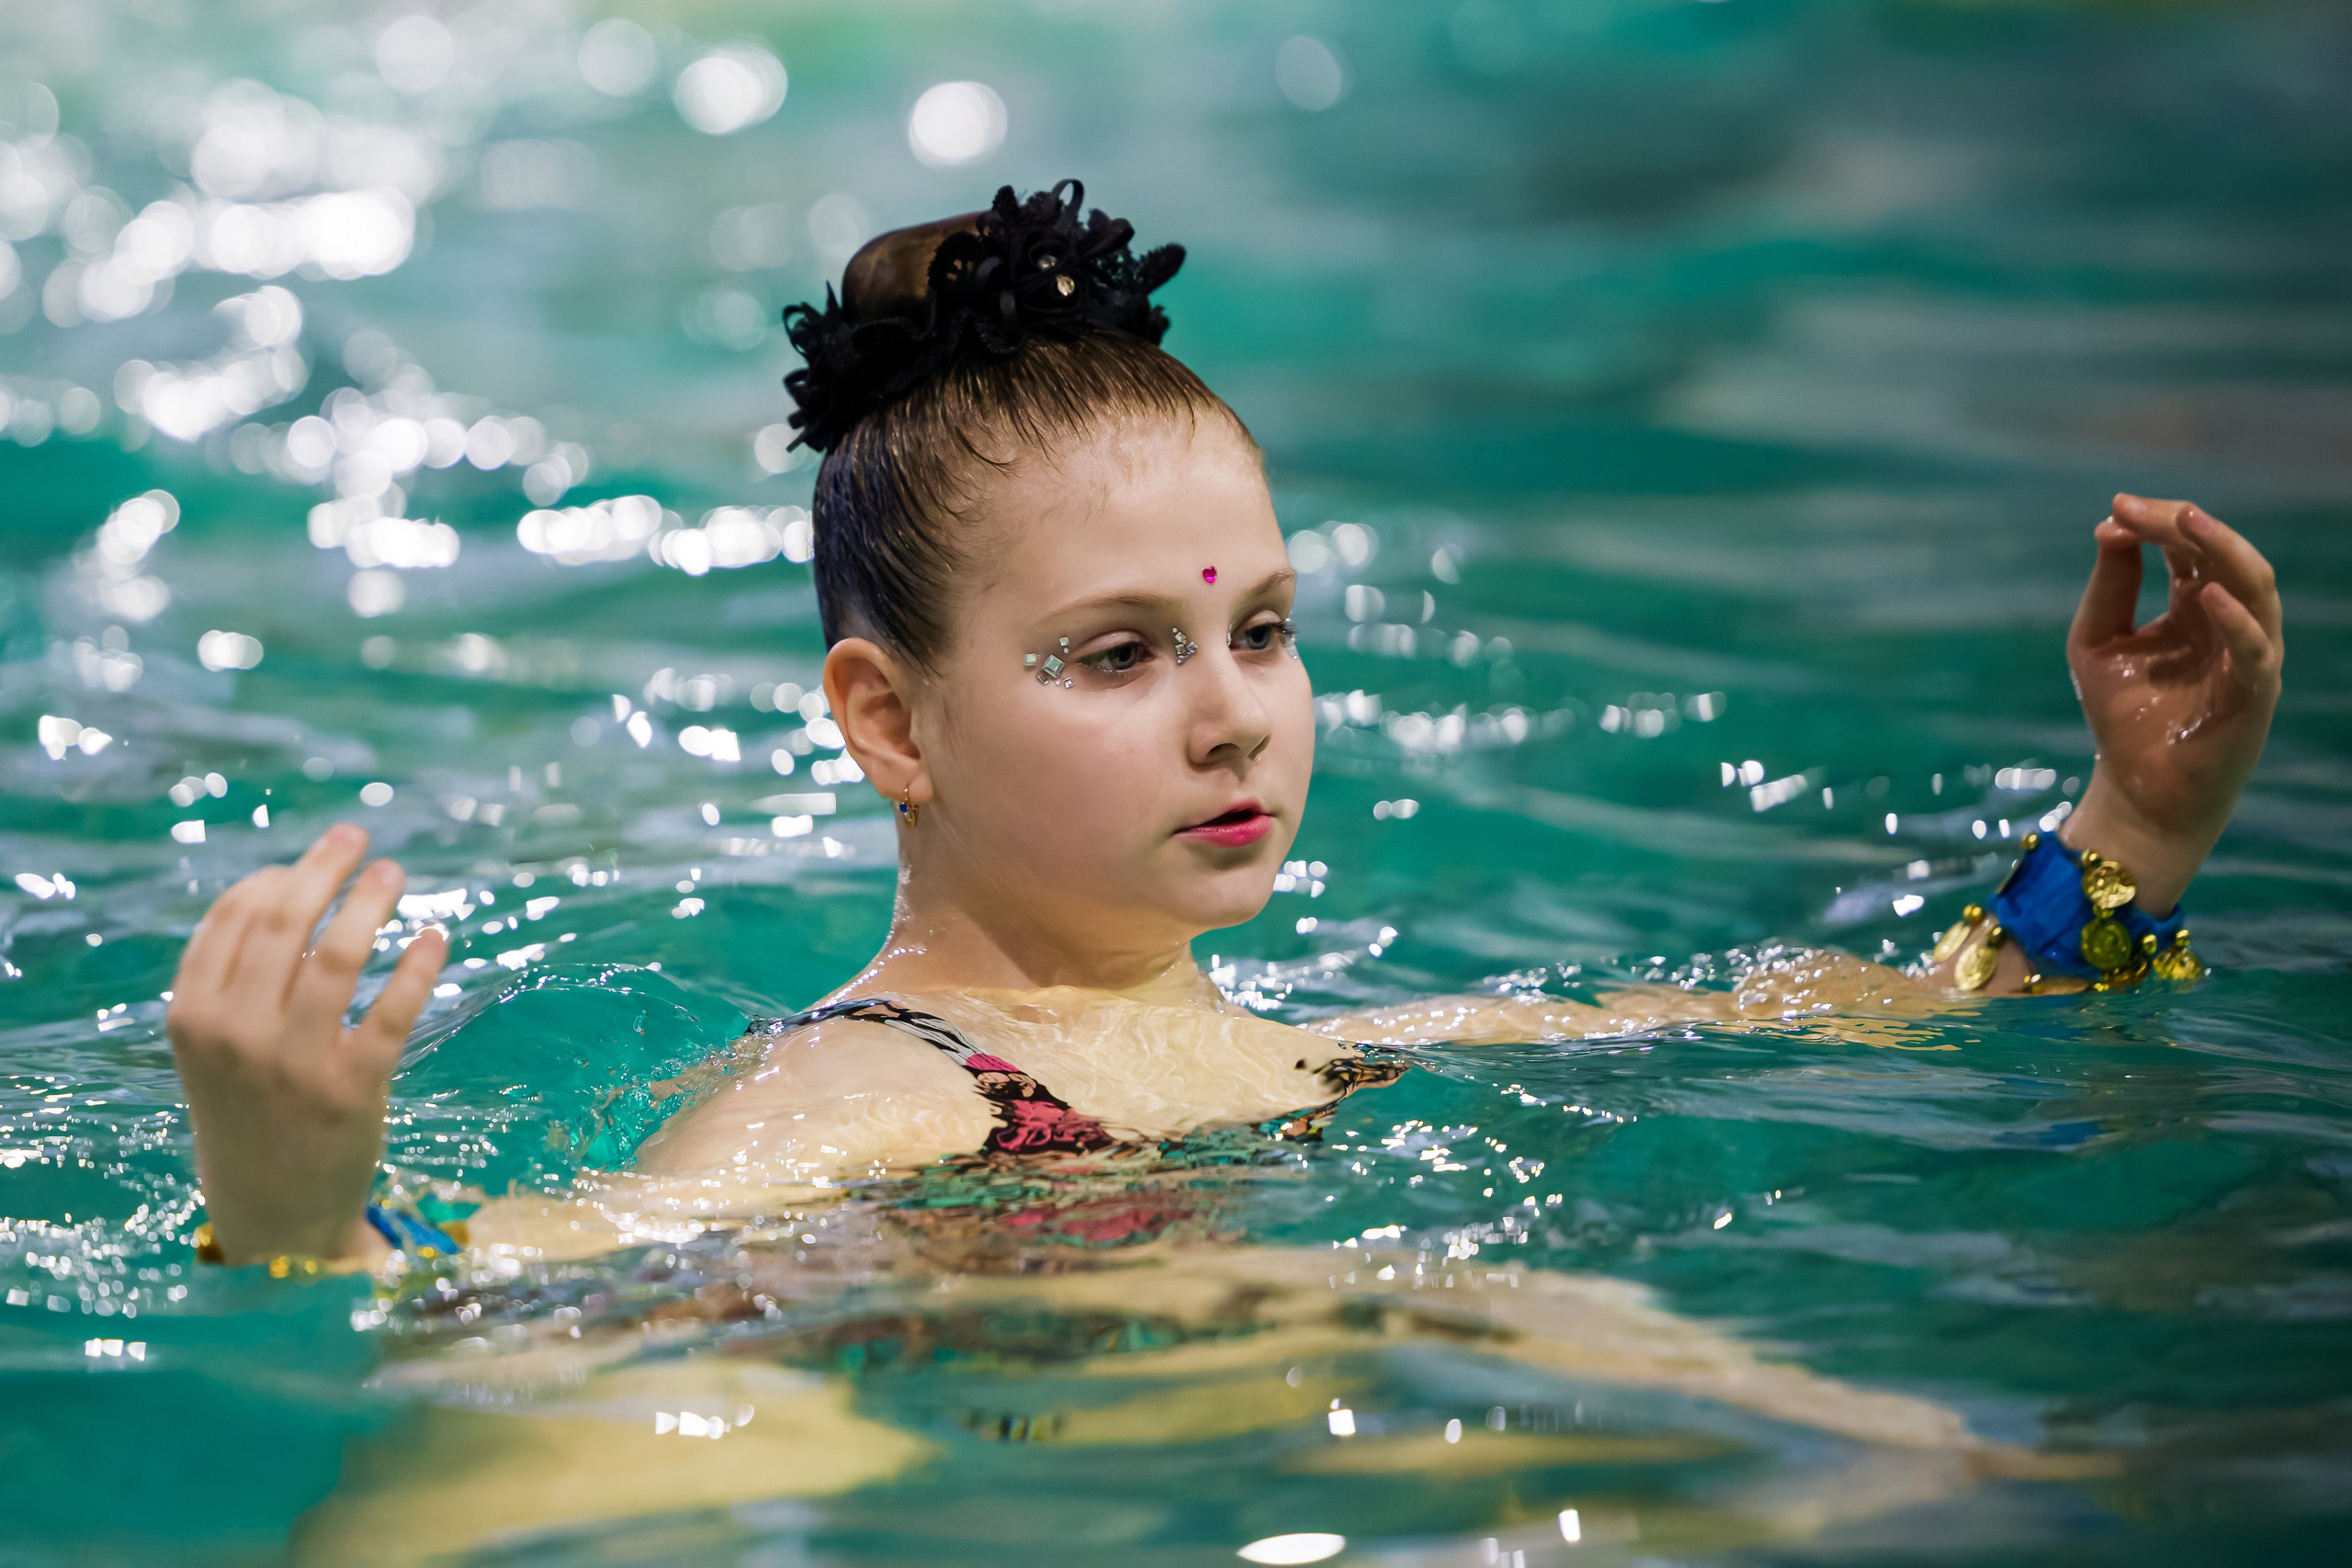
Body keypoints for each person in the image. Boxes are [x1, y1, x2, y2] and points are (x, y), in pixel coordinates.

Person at [164, 181, 2284, 1276]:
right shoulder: (874, 1100)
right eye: (1116, 654)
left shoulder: (1319, 1053)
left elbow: (1879, 1016)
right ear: (888, 724)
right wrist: (292, 1210)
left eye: (1261, 631)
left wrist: (2136, 823)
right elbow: (528, 1284)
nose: (1230, 717)